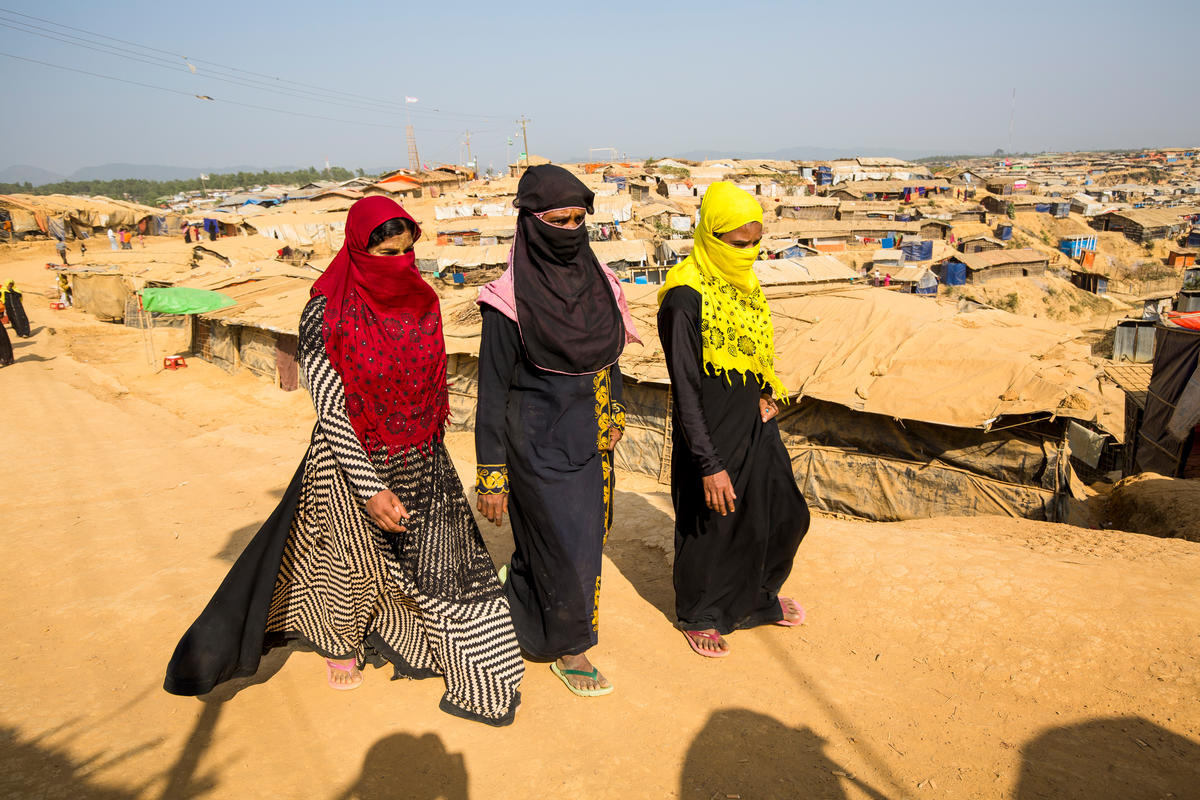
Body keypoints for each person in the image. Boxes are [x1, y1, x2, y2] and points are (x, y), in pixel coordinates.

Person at [165, 196, 524, 726]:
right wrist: (369, 485)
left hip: (422, 455)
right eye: (385, 252)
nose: (399, 262)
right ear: (358, 250)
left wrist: (426, 454)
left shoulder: (422, 300)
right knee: (349, 565)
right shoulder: (325, 311)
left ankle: (463, 656)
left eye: (407, 252)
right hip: (349, 459)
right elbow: (329, 404)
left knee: (445, 567)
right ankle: (339, 644)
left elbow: (429, 388)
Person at [475, 164, 640, 697]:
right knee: (568, 549)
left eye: (578, 220)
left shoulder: (601, 282)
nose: (571, 231)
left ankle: (523, 614)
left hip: (589, 438)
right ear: (530, 222)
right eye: (557, 221)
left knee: (580, 539)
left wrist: (613, 411)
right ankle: (571, 649)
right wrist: (492, 474)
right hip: (536, 444)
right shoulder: (506, 302)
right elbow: (493, 390)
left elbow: (608, 359)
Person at [656, 182, 809, 658]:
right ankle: (700, 614)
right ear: (710, 236)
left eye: (753, 244)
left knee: (782, 515)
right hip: (709, 433)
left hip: (754, 423)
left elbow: (752, 351)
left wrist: (766, 392)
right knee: (713, 527)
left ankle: (758, 598)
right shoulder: (683, 298)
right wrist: (708, 463)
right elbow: (684, 387)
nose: (746, 253)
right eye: (736, 244)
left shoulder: (744, 286)